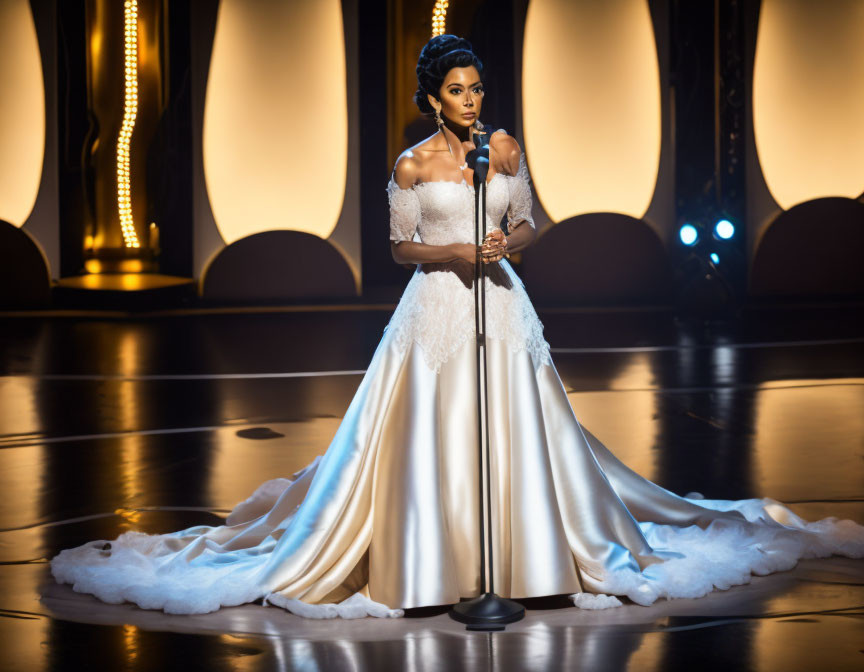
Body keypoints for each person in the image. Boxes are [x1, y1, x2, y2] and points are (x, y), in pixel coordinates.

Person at [50, 35, 864, 620]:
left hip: (500, 302)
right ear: (433, 98)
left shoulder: (503, 151)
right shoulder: (411, 164)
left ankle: (529, 555)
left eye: (479, 88)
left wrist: (507, 244)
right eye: (459, 91)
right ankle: (431, 560)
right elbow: (401, 247)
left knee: (518, 426)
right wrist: (456, 251)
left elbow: (535, 223)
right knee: (429, 432)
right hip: (438, 305)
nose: (473, 102)